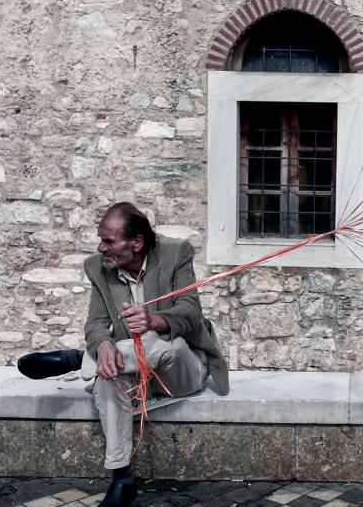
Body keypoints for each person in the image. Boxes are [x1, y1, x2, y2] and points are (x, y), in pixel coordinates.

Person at [78, 202, 228, 507]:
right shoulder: (98, 267)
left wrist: (153, 321)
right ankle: (122, 478)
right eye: (100, 239)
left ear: (136, 243)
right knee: (109, 377)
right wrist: (104, 345)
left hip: (181, 369)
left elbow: (189, 312)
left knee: (162, 344)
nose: (100, 247)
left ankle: (79, 362)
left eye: (109, 241)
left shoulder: (176, 254)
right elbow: (95, 324)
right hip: (135, 371)